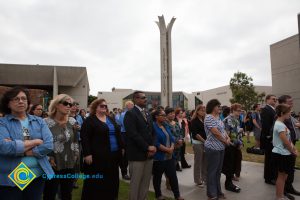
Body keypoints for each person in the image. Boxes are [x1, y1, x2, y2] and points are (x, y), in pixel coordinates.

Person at [0, 87, 54, 200]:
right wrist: (35, 141)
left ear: (28, 103)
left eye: (23, 99)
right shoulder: (2, 123)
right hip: (13, 175)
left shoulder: (38, 121)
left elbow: (49, 144)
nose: (20, 101)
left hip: (37, 174)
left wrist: (22, 149)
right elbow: (4, 147)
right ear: (8, 104)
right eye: (16, 99)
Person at [80, 99, 122, 200]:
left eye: (105, 106)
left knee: (112, 180)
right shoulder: (90, 121)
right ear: (95, 107)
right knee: (96, 181)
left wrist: (122, 147)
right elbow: (85, 138)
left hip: (113, 155)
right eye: (101, 106)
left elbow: (117, 134)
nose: (104, 108)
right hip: (97, 157)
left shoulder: (110, 119)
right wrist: (87, 153)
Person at [43, 94, 79, 200]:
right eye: (65, 103)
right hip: (52, 164)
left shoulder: (72, 121)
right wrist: (48, 158)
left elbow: (75, 140)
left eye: (70, 104)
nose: (69, 106)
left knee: (67, 194)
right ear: (57, 105)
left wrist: (76, 154)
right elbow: (41, 143)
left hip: (69, 164)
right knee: (50, 193)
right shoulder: (45, 122)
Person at [124, 91, 156, 200]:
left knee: (146, 183)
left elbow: (151, 131)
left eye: (146, 97)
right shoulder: (130, 113)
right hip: (137, 155)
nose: (145, 99)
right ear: (136, 99)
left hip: (149, 154)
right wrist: (147, 147)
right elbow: (133, 134)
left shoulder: (147, 112)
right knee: (135, 183)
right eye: (143, 98)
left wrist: (152, 146)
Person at [152, 109, 184, 200]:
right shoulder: (153, 127)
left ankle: (177, 195)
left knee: (173, 177)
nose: (165, 117)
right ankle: (158, 195)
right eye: (162, 115)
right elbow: (156, 142)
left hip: (169, 156)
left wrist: (172, 147)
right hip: (159, 157)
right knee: (157, 178)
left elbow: (171, 137)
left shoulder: (165, 125)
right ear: (156, 116)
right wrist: (167, 149)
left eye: (164, 115)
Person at [204, 99, 230, 200]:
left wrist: (227, 137)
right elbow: (215, 132)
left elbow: (222, 130)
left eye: (220, 106)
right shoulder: (209, 117)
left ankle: (218, 192)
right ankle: (211, 194)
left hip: (221, 147)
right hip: (213, 148)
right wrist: (225, 141)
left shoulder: (218, 117)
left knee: (218, 172)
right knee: (212, 172)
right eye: (217, 106)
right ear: (212, 107)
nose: (220, 107)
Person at [272, 104, 298, 200]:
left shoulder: (282, 124)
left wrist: (294, 148)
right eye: (288, 113)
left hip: (286, 153)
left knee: (284, 177)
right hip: (281, 154)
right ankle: (279, 197)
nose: (290, 115)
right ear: (282, 113)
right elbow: (285, 142)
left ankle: (281, 195)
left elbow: (289, 139)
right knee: (281, 177)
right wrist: (293, 151)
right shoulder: (279, 125)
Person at [278, 95, 300, 199]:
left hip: (292, 144)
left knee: (290, 169)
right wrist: (292, 148)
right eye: (289, 102)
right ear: (283, 103)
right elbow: (283, 134)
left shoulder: (289, 114)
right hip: (286, 146)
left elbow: (295, 124)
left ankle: (289, 187)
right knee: (285, 171)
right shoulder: (282, 116)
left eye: (292, 101)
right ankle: (284, 191)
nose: (292, 103)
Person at [223, 103, 243, 192]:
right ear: (233, 110)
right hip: (229, 145)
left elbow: (238, 133)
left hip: (236, 145)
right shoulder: (227, 120)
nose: (240, 112)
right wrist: (236, 142)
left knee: (235, 163)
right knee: (229, 165)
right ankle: (228, 184)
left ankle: (230, 182)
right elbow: (226, 134)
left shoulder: (236, 120)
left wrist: (240, 142)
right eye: (238, 110)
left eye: (240, 111)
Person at [165, 107, 183, 189]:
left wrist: (181, 140)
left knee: (174, 165)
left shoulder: (175, 123)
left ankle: (171, 182)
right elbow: (168, 135)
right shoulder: (165, 124)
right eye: (170, 113)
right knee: (169, 167)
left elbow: (180, 132)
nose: (172, 114)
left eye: (173, 113)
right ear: (166, 114)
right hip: (170, 147)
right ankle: (168, 182)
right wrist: (176, 141)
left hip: (178, 148)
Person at [261, 94, 277, 185]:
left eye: (276, 99)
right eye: (273, 99)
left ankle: (271, 176)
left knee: (272, 158)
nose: (275, 100)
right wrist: (269, 136)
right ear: (267, 100)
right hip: (269, 138)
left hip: (273, 137)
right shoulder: (266, 109)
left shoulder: (273, 109)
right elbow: (266, 125)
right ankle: (268, 178)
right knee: (269, 158)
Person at [190, 105, 207, 188]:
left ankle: (204, 178)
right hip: (197, 143)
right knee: (198, 162)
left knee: (204, 162)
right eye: (202, 110)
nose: (203, 112)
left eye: (204, 110)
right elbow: (196, 134)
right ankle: (197, 180)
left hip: (205, 143)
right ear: (197, 111)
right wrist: (204, 141)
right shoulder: (194, 121)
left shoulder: (204, 120)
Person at [119, 100, 134, 180]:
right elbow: (123, 125)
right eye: (131, 105)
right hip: (125, 134)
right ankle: (124, 173)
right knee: (125, 156)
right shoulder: (123, 114)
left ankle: (131, 172)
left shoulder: (134, 113)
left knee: (131, 154)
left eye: (132, 105)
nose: (132, 106)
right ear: (127, 106)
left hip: (131, 135)